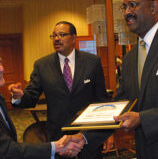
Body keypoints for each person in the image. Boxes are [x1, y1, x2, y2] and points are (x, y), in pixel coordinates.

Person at [8, 21, 113, 158]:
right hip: (58, 137)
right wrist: (19, 97)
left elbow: (101, 100)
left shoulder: (92, 62)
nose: (57, 39)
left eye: (62, 35)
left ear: (74, 38)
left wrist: (107, 133)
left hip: (88, 134)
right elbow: (31, 96)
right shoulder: (42, 65)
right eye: (54, 36)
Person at [112, 0, 158, 158]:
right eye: (125, 7)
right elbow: (123, 103)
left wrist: (143, 119)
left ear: (153, 7)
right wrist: (84, 136)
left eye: (133, 5)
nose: (127, 12)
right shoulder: (130, 58)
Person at [0, 57, 83, 159]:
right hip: (55, 133)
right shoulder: (42, 65)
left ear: (73, 40)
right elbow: (5, 148)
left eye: (0, 62)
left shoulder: (91, 61)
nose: (1, 68)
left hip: (86, 133)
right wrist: (56, 147)